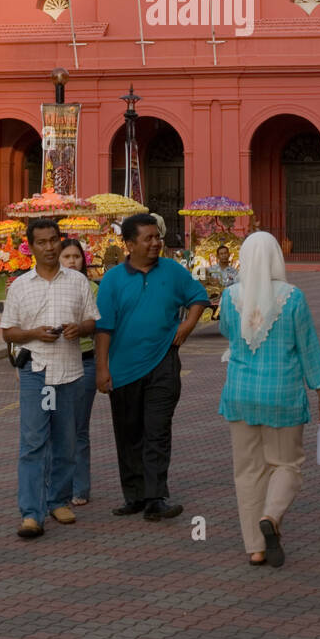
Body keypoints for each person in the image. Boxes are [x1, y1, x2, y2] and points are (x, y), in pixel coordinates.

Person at [218, 231, 320, 568]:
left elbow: (227, 332)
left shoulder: (229, 297)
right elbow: (307, 347)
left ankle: (255, 547)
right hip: (282, 394)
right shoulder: (293, 298)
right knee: (287, 464)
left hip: (240, 393)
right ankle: (271, 516)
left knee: (248, 471)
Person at [95, 213, 209, 521]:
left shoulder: (171, 270)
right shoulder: (113, 280)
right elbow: (103, 328)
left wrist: (187, 326)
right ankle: (134, 496)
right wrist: (101, 369)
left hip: (163, 363)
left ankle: (156, 496)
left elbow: (199, 297)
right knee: (129, 433)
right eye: (148, 238)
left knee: (157, 431)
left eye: (157, 237)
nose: (156, 243)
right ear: (130, 244)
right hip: (124, 368)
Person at [0, 219, 100, 539]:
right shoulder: (20, 286)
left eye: (53, 240)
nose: (49, 247)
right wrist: (32, 334)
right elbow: (9, 331)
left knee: (66, 441)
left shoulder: (77, 282)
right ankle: (31, 513)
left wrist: (79, 329)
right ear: (31, 246)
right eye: (41, 242)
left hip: (70, 373)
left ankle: (58, 500)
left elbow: (92, 321)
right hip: (36, 373)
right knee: (33, 442)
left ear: (60, 242)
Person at [56, 238, 98, 507]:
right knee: (54, 428)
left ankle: (80, 487)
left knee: (78, 428)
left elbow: (97, 323)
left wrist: (80, 328)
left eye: (76, 257)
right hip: (52, 364)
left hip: (85, 362)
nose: (72, 261)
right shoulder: (49, 286)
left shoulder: (92, 287)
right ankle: (57, 485)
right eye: (66, 256)